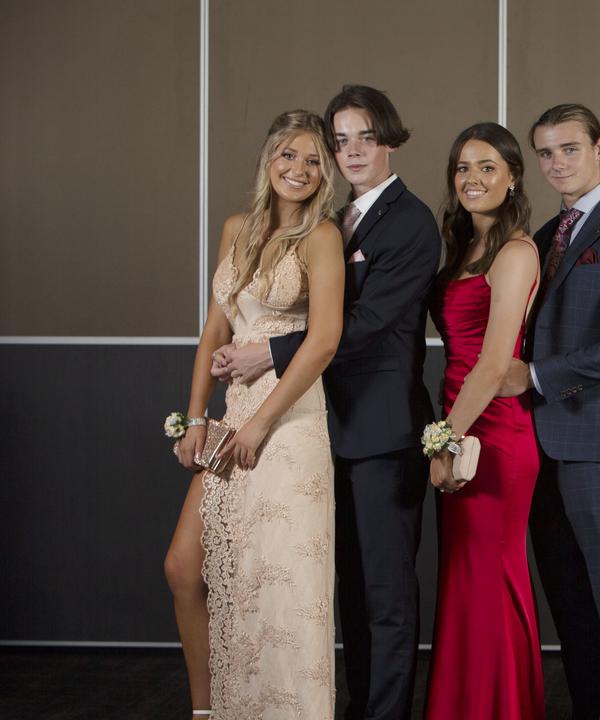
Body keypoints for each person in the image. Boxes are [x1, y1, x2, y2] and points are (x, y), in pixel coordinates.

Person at [211, 85, 441, 720]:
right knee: (345, 594)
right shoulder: (332, 219)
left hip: (382, 428)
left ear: (389, 139)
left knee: (386, 596)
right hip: (321, 429)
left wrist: (270, 353)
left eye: (365, 136)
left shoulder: (411, 222)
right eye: (340, 140)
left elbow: (362, 324)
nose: (351, 151)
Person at [169, 109, 344, 718]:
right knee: (184, 567)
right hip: (231, 415)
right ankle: (209, 710)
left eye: (314, 160)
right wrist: (196, 418)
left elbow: (324, 340)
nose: (299, 169)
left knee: (278, 587)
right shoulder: (236, 228)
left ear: (326, 174)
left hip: (289, 420)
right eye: (289, 155)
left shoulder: (323, 237)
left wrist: (263, 421)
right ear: (269, 159)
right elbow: (214, 327)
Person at [495, 103, 600, 720]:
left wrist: (533, 377)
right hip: (542, 445)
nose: (556, 163)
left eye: (569, 148)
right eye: (545, 153)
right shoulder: (547, 236)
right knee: (570, 605)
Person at [422, 122, 544, 719]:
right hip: (460, 423)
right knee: (464, 580)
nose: (473, 179)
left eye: (487, 167)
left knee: (491, 577)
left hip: (492, 436)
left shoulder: (517, 252)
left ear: (513, 176)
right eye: (463, 168)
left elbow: (496, 363)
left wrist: (447, 439)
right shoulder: (463, 248)